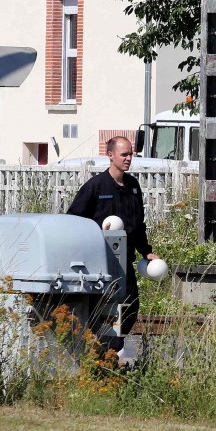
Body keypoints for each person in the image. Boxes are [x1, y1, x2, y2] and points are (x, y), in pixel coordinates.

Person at [67, 136, 156, 353]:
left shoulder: (133, 187)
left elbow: (138, 225)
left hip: (124, 262)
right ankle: (101, 352)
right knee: (103, 309)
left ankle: (111, 350)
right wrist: (96, 234)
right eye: (124, 154)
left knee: (130, 307)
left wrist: (147, 251)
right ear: (110, 156)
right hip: (100, 263)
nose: (128, 158)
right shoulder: (95, 186)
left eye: (130, 154)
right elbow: (72, 220)